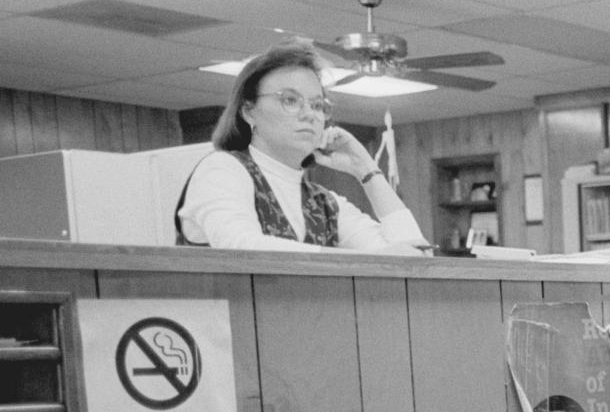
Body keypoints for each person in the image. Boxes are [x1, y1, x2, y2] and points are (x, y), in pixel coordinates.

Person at [176, 41, 427, 254]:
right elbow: (241, 246)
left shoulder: (324, 204)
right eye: (290, 100)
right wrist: (346, 259)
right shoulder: (221, 170)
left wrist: (367, 170)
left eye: (317, 105)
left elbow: (414, 258)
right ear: (249, 111)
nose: (309, 115)